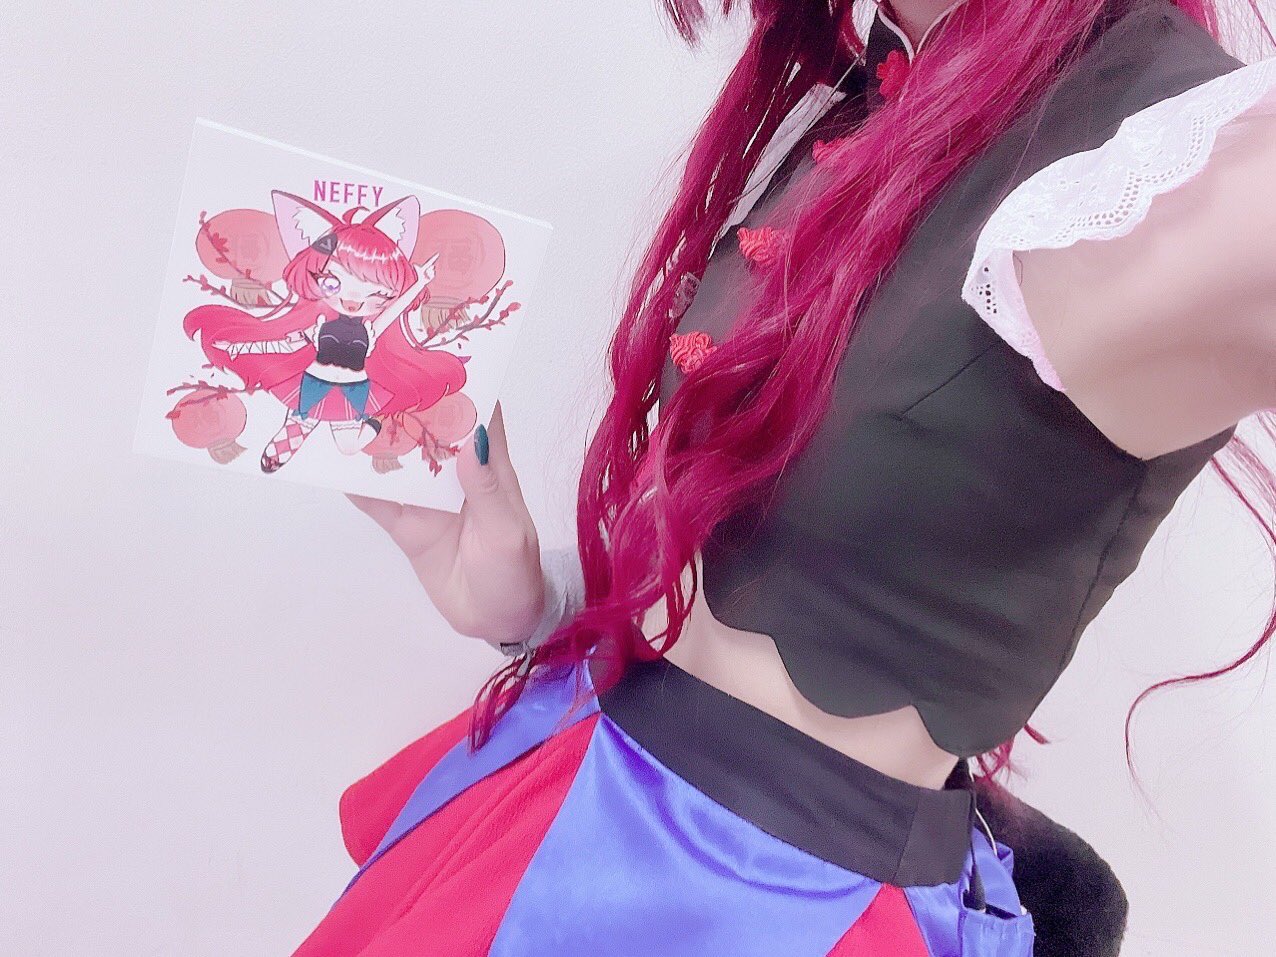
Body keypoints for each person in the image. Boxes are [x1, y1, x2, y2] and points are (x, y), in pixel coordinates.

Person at [291, 0, 1276, 954]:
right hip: (577, 794)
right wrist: (539, 604)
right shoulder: (886, 82)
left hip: (765, 902)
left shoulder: (1192, 165)